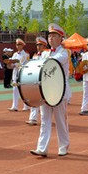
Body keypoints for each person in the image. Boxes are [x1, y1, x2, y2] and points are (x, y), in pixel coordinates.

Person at [30, 23, 70, 157]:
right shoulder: (45, 54)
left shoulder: (64, 53)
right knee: (45, 120)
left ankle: (63, 146)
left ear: (60, 38)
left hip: (59, 91)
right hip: (45, 90)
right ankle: (42, 148)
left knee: (60, 120)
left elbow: (54, 61)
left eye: (54, 36)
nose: (51, 38)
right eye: (50, 36)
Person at [26, 37, 48, 125]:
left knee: (44, 101)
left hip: (44, 81)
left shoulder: (47, 55)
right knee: (35, 99)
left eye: (40, 45)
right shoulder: (35, 56)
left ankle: (45, 119)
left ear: (44, 46)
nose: (38, 47)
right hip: (35, 81)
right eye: (37, 45)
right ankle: (33, 118)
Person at [8, 38, 30, 111]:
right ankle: (15, 106)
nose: (17, 46)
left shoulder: (26, 54)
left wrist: (18, 65)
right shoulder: (15, 54)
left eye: (19, 45)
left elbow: (27, 64)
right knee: (15, 89)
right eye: (16, 45)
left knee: (24, 90)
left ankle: (26, 105)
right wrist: (10, 64)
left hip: (22, 74)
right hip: (15, 73)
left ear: (22, 45)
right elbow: (12, 64)